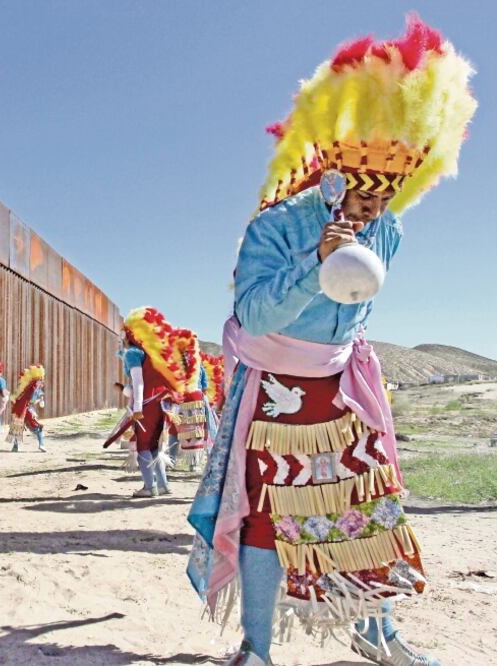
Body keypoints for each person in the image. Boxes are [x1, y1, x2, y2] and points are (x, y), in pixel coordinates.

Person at [186, 16, 476, 666]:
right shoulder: (271, 228)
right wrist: (314, 266)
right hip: (277, 399)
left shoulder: (388, 230)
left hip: (345, 393)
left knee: (369, 509)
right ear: (334, 179)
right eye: (365, 203)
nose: (373, 218)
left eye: (385, 203)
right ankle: (256, 647)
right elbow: (256, 315)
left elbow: (355, 309)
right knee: (265, 521)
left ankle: (376, 632)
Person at [121, 307, 202, 497]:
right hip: (161, 406)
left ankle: (149, 487)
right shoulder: (153, 355)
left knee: (143, 446)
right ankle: (163, 485)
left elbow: (138, 382)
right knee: (155, 447)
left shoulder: (133, 354)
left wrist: (138, 407)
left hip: (146, 406)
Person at [6, 365, 47, 453]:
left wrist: (41, 399)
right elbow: (31, 400)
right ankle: (41, 445)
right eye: (41, 379)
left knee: (17, 427)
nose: (42, 381)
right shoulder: (33, 387)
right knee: (37, 427)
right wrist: (39, 400)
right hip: (27, 410)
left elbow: (16, 398)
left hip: (19, 409)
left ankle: (15, 447)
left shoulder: (27, 387)